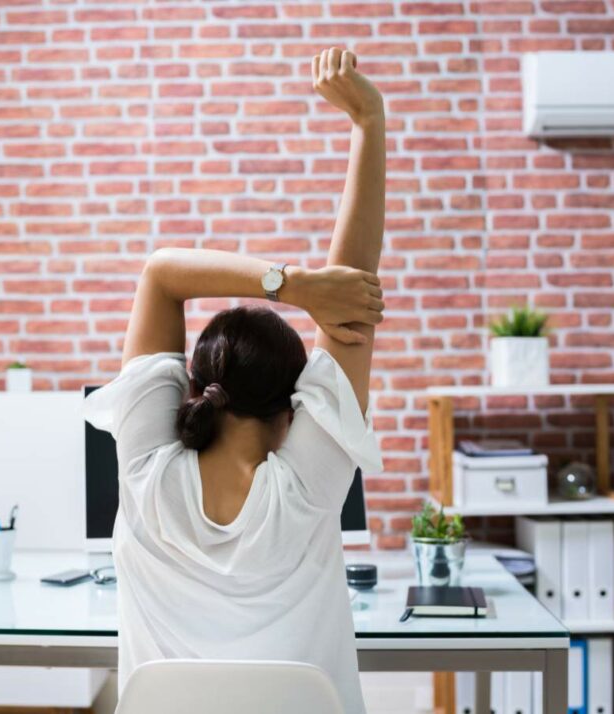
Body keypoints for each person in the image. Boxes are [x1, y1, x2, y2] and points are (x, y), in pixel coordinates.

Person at [84, 47, 386, 714]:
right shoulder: (305, 491)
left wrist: (294, 285)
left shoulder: (144, 475)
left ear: (191, 388)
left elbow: (160, 274)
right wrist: (369, 121)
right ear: (292, 412)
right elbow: (353, 306)